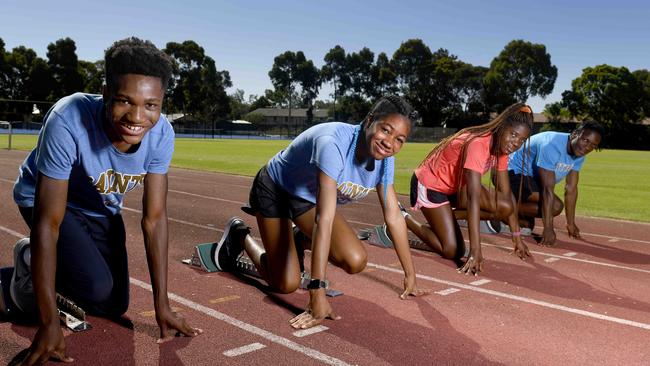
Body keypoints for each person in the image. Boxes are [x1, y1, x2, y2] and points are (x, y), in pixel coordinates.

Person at [7, 37, 201, 365]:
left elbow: (154, 220)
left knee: (113, 304)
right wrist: (48, 322)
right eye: (125, 101)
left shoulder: (162, 135)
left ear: (162, 101)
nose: (137, 117)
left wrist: (162, 305)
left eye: (150, 105)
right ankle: (27, 262)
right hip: (52, 203)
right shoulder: (67, 119)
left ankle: (50, 269)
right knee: (95, 286)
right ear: (106, 91)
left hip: (100, 208)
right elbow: (48, 222)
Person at [214, 95, 426, 330]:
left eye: (400, 140)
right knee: (285, 283)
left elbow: (394, 215)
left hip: (307, 200)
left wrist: (410, 275)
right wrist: (317, 293)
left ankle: (296, 238)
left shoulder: (385, 160)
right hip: (275, 189)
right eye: (386, 130)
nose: (390, 143)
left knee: (355, 260)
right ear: (369, 121)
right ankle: (240, 235)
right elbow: (323, 220)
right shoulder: (332, 143)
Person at [391, 103, 535, 276]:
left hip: (456, 189)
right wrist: (476, 250)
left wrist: (517, 237)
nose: (516, 143)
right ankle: (403, 218)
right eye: (513, 135)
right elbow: (474, 198)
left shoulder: (502, 150)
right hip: (431, 186)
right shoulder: (478, 143)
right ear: (502, 127)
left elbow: (506, 195)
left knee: (505, 206)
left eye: (522, 140)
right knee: (452, 250)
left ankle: (447, 219)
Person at [507, 122, 604, 246]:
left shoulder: (580, 153)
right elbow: (547, 189)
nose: (587, 147)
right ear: (575, 134)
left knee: (527, 225)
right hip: (511, 173)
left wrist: (570, 222)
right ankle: (498, 209)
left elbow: (571, 188)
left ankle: (509, 212)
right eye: (585, 140)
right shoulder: (551, 144)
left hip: (531, 179)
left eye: (593, 146)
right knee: (555, 206)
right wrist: (548, 228)